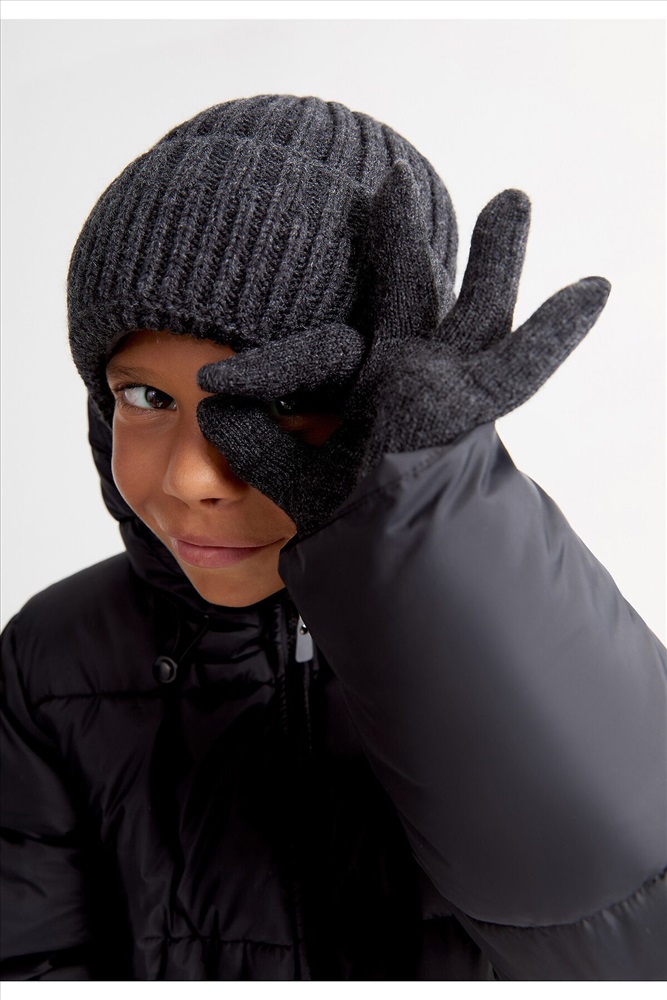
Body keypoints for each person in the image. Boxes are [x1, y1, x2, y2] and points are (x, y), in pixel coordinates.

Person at [1, 94, 665, 982]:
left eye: (285, 400)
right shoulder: (51, 656)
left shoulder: (521, 630)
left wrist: (434, 507)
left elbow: (626, 940)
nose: (192, 478)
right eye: (146, 398)